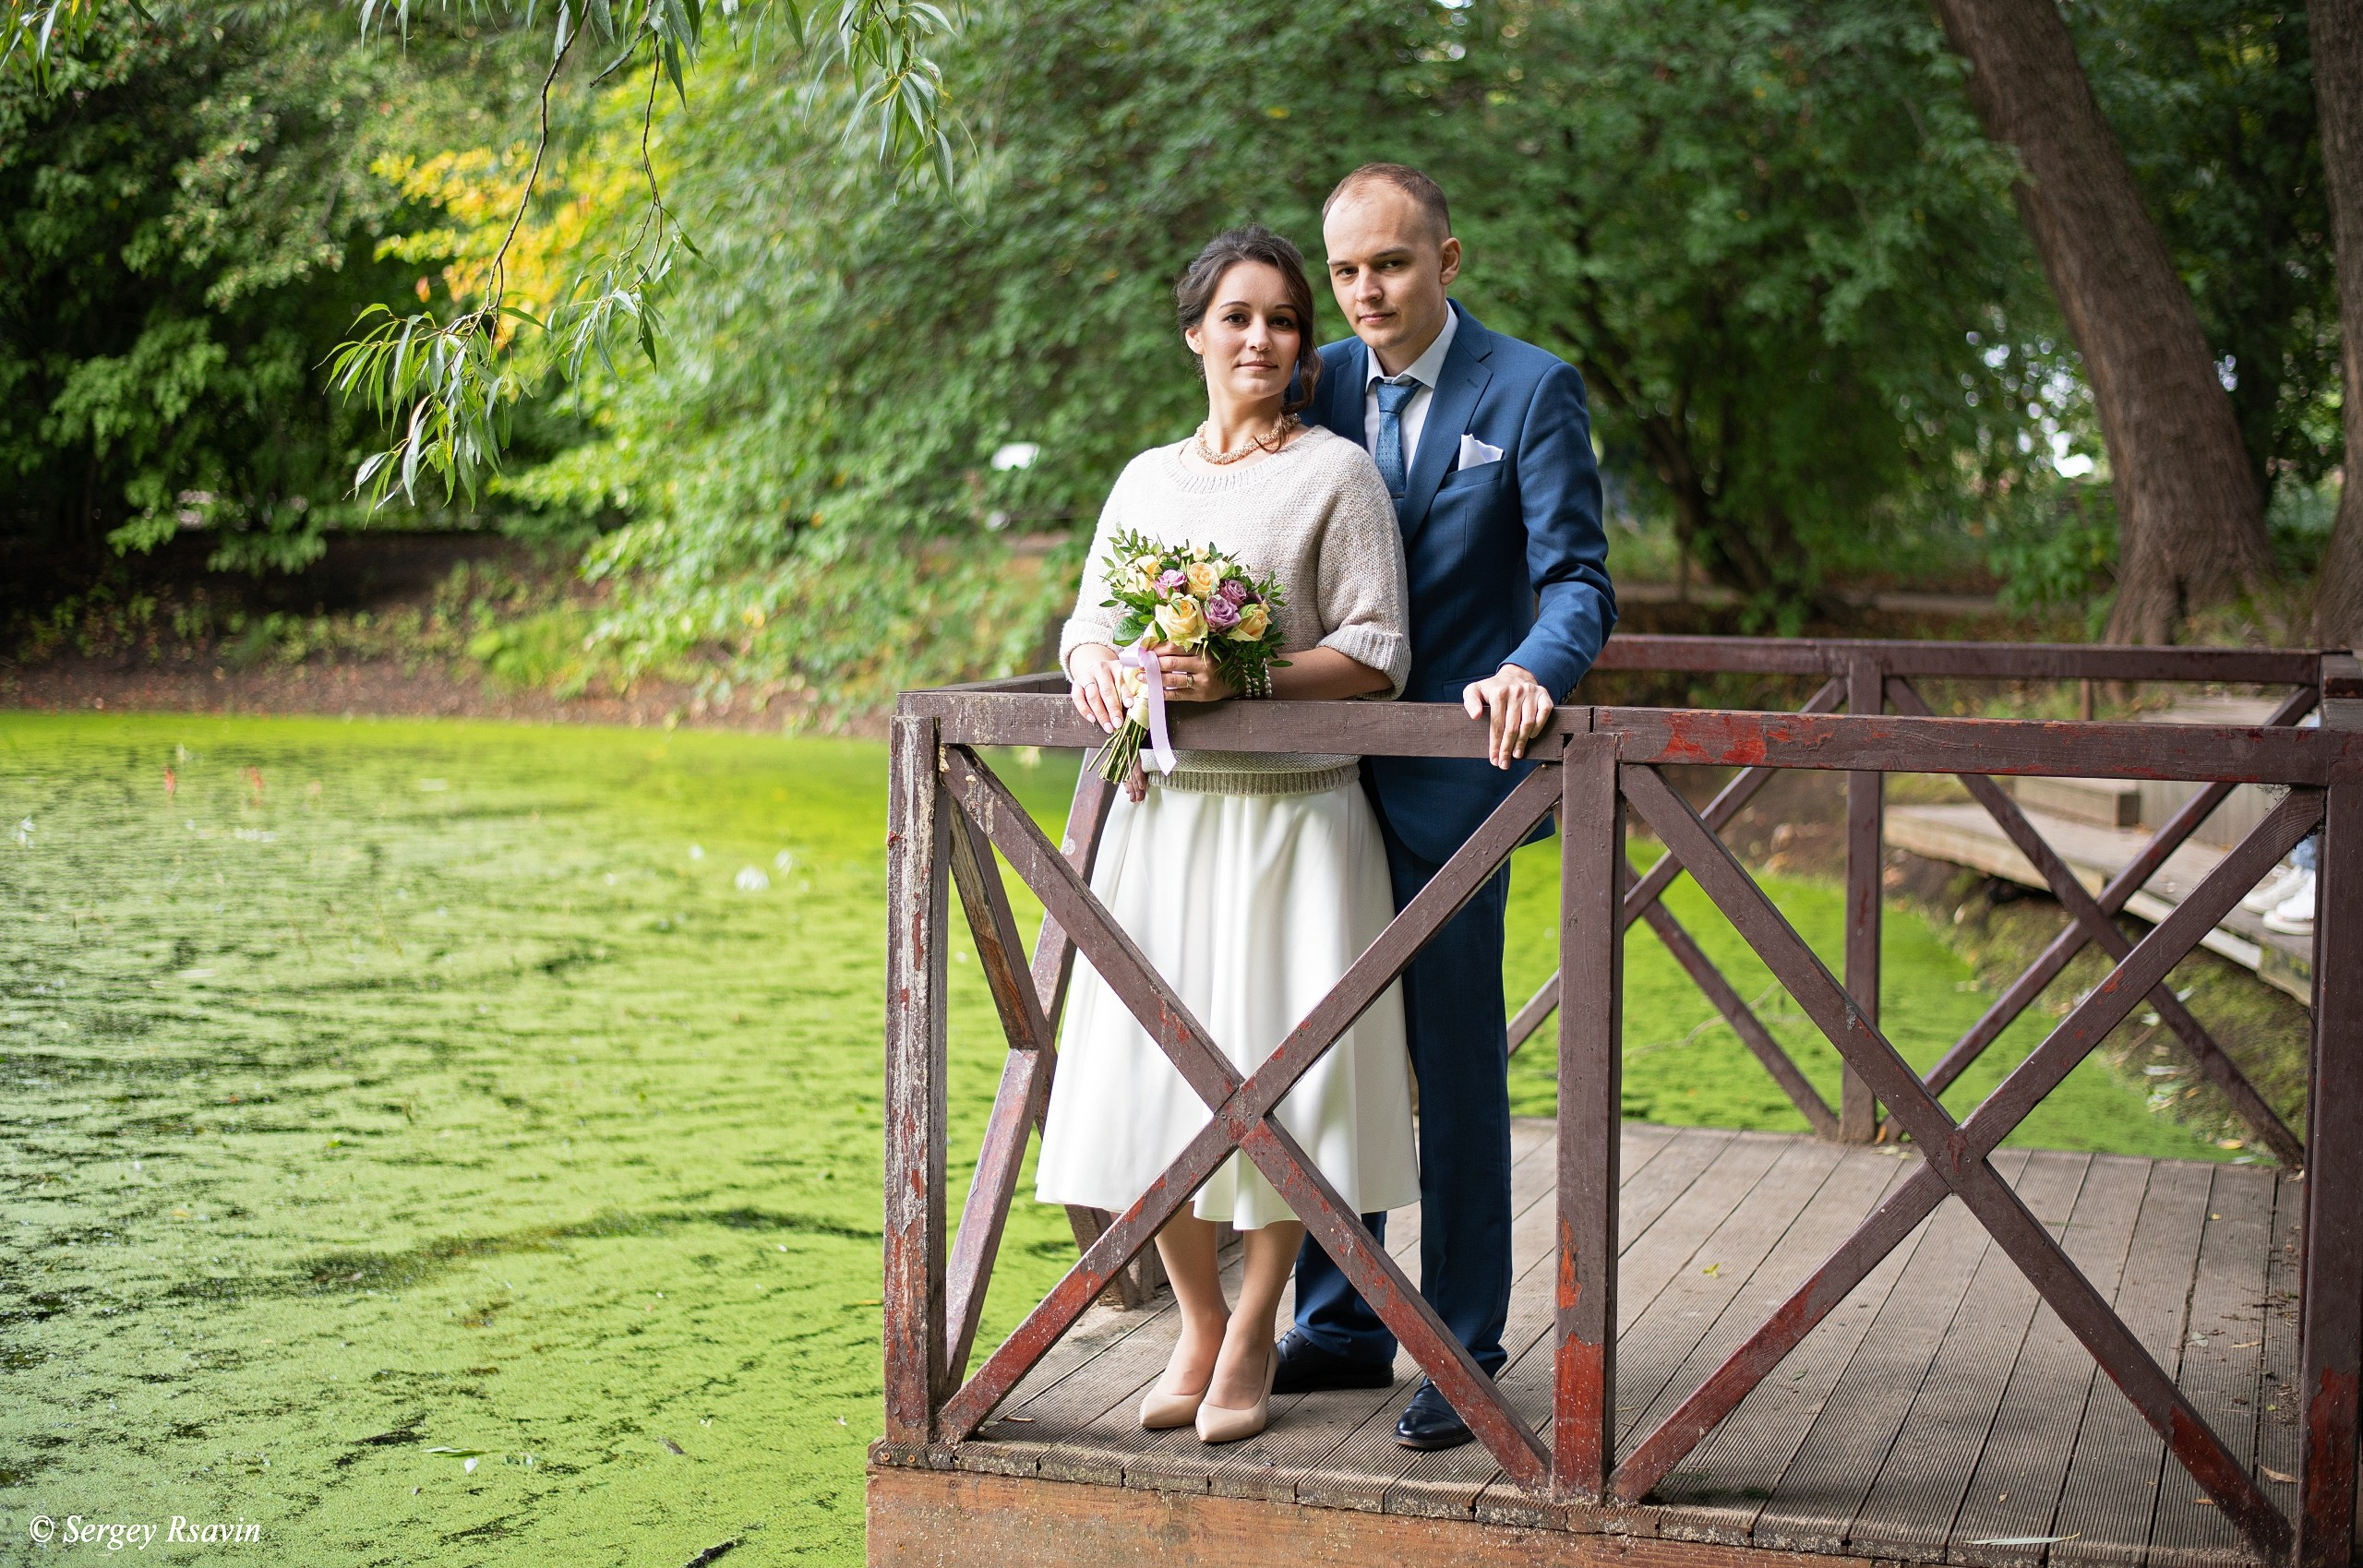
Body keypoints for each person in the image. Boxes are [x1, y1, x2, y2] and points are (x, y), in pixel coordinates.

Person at [1033, 224, 1421, 1447]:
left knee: (1286, 1087)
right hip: (1164, 824)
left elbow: (1377, 653)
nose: (1264, 338)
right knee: (1163, 1083)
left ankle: (1259, 1328)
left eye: (1285, 320)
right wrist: (1099, 663)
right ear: (1195, 332)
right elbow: (1088, 620)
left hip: (1298, 827)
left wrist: (1237, 677)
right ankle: (1194, 1321)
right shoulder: (1147, 479)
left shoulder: (1338, 475)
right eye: (1240, 317)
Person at [1277, 163, 1618, 1451]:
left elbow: (1577, 580)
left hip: (1460, 787)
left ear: (1449, 260)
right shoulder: (1312, 383)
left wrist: (1533, 668)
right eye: (1349, 270)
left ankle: (1461, 1347)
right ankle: (1344, 1317)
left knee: (1456, 1066)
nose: (1368, 290)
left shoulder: (1529, 390)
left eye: (1394, 265)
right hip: (1314, 780)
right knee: (1320, 1054)